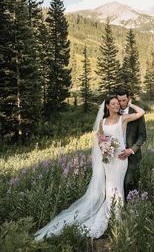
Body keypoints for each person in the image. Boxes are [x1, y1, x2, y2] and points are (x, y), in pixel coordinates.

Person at [34, 96, 145, 240]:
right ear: (107, 106)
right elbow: (100, 140)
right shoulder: (102, 122)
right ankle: (114, 220)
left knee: (116, 188)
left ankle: (116, 220)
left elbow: (141, 112)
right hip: (108, 159)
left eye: (118, 104)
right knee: (109, 189)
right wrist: (105, 148)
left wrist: (130, 104)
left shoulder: (123, 118)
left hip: (120, 159)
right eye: (113, 104)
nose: (117, 105)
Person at [116, 89, 147, 200]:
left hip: (132, 156)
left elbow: (142, 136)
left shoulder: (136, 114)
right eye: (119, 100)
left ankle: (130, 207)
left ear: (128, 99)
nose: (121, 103)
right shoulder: (114, 113)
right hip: (116, 156)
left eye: (124, 100)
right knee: (117, 183)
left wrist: (131, 150)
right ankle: (119, 207)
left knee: (128, 182)